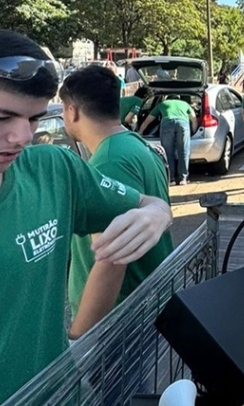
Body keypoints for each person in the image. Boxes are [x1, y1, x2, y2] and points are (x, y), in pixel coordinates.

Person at [0, 29, 172, 406]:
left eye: (33, 118)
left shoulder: (52, 170)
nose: (22, 137)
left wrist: (156, 214)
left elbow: (149, 205)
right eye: (1, 117)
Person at [59, 66, 174, 339]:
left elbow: (112, 259)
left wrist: (79, 336)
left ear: (72, 111)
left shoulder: (108, 163)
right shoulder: (134, 144)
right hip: (144, 307)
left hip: (117, 324)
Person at [138, 95, 197, 186]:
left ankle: (171, 179)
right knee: (184, 151)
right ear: (178, 98)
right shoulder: (185, 104)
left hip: (167, 124)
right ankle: (183, 179)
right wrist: (193, 132)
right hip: (182, 124)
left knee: (167, 152)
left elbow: (148, 120)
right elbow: (194, 119)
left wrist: (140, 132)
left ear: (167, 98)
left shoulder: (163, 103)